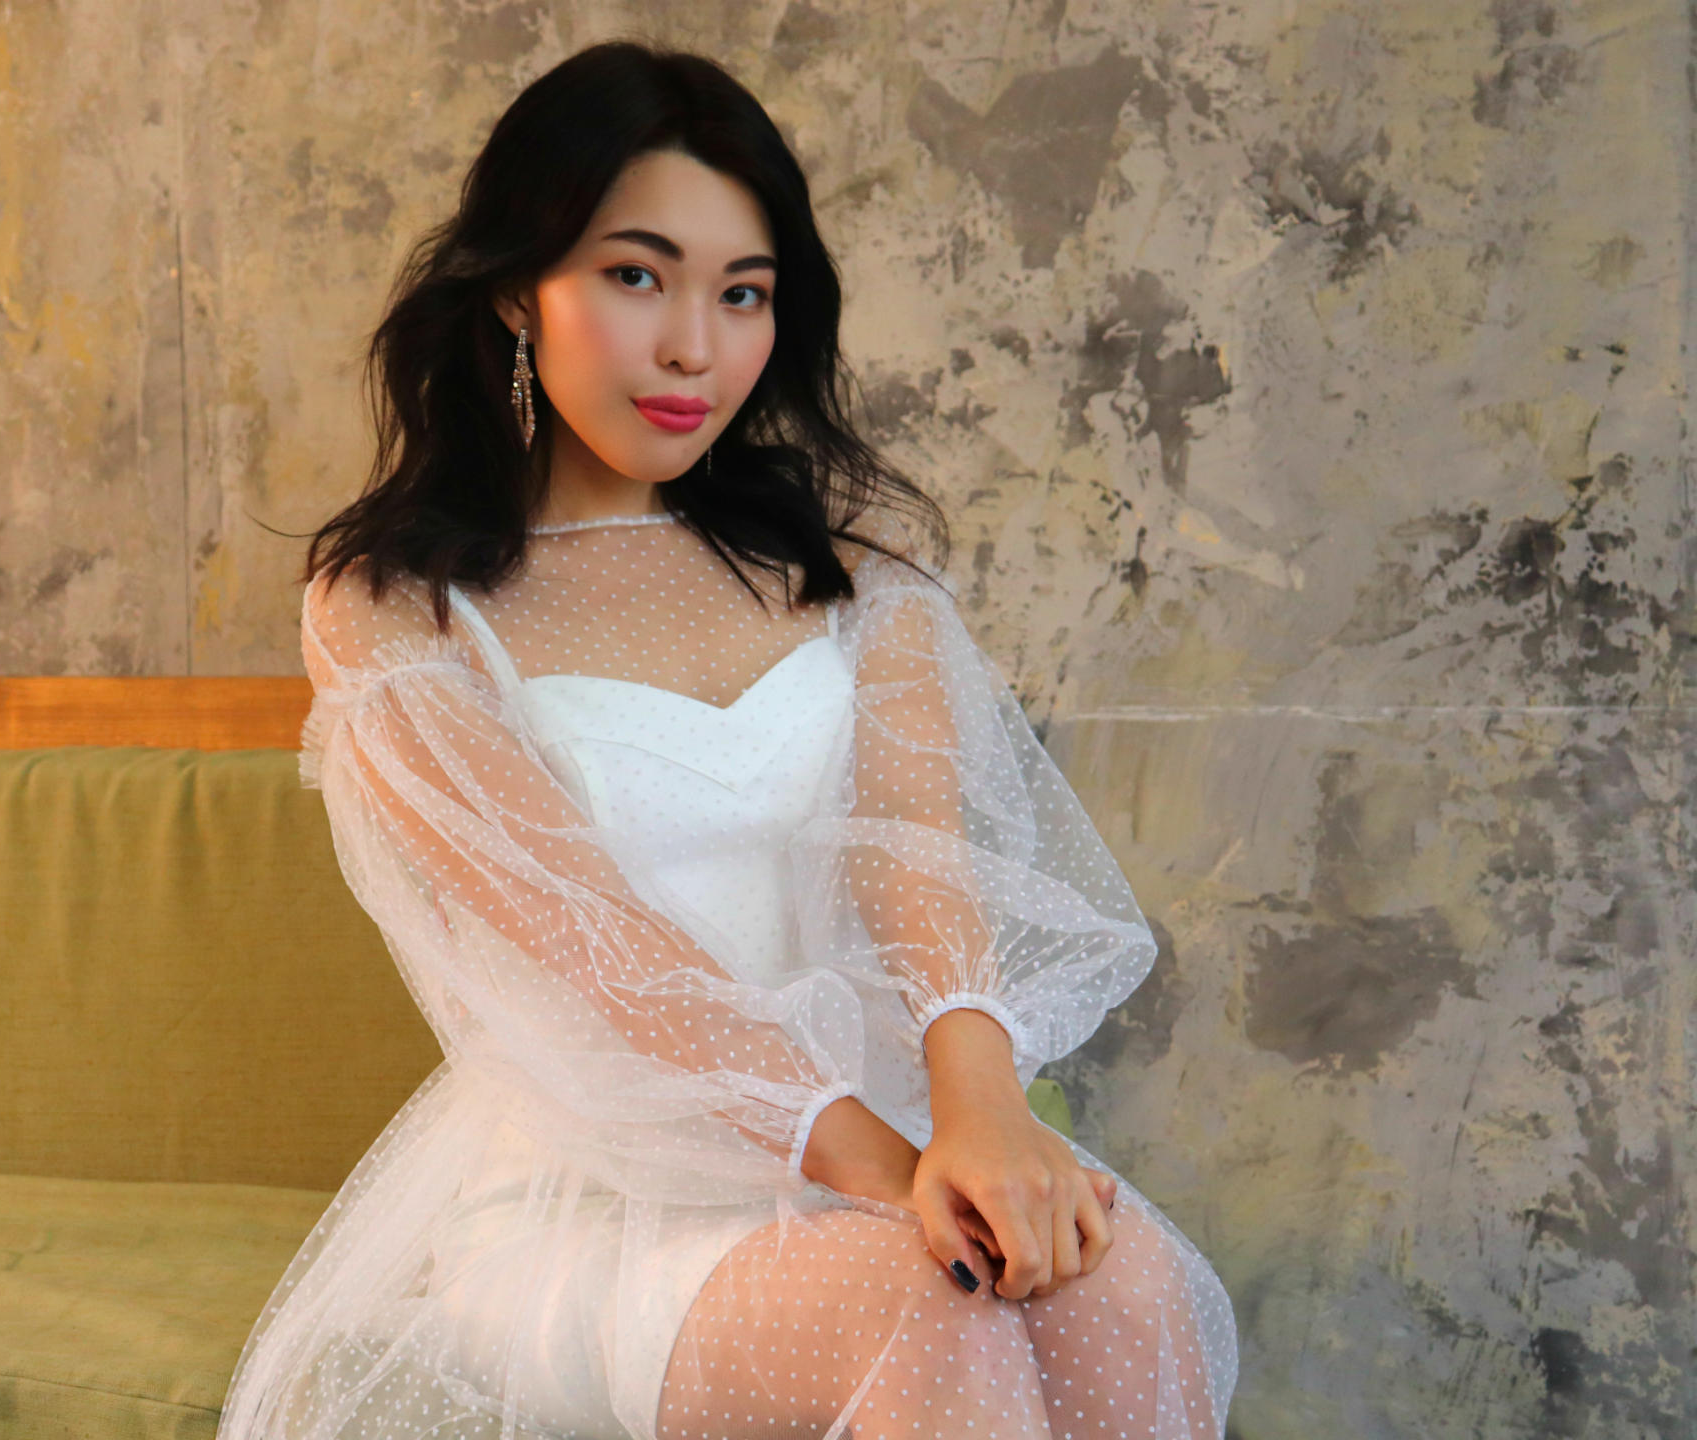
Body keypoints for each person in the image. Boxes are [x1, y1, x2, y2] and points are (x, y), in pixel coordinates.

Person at [219, 40, 1239, 1440]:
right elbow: (595, 952)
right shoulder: (399, 607)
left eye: (741, 293)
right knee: (932, 1300)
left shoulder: (853, 573)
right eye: (637, 277)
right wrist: (894, 1174)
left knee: (1134, 1292)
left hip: (899, 1137)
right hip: (603, 1193)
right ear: (518, 288)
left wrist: (983, 1118)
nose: (694, 347)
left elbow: (915, 860)